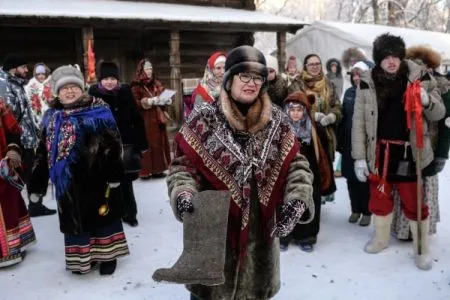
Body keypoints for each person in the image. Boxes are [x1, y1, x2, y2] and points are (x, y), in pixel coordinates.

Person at [167, 45, 314, 300]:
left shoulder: (277, 123)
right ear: (229, 79)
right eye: (244, 75)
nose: (251, 82)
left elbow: (297, 166)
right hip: (213, 237)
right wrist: (183, 194)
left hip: (259, 248)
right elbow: (183, 168)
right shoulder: (203, 119)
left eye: (258, 77)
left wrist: (298, 199)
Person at [352, 33, 445, 270]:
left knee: (414, 202)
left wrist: (427, 101)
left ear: (401, 57)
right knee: (380, 198)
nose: (391, 61)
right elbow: (359, 122)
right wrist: (359, 157)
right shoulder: (367, 81)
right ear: (379, 59)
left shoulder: (419, 77)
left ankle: (421, 249)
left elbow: (439, 113)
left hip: (409, 155)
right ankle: (381, 240)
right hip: (380, 155)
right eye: (386, 57)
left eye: (395, 56)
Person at [28, 65, 129, 275]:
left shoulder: (98, 110)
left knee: (103, 219)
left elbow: (113, 144)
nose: (69, 91)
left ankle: (108, 256)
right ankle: (84, 258)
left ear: (82, 88)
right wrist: (37, 185)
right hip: (68, 185)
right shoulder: (51, 117)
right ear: (57, 91)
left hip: (98, 180)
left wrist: (114, 173)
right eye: (64, 88)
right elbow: (42, 153)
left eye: (74, 86)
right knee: (76, 223)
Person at [391, 46, 450, 240]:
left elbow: (446, 125)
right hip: (405, 148)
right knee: (405, 190)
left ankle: (421, 232)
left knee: (424, 191)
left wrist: (442, 153)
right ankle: (403, 229)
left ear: (430, 66)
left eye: (423, 64)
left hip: (429, 148)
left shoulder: (442, 88)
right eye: (415, 63)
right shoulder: (403, 84)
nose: (419, 67)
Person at [89, 61, 147, 227]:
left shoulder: (125, 92)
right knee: (106, 181)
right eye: (106, 78)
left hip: (125, 145)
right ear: (100, 80)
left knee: (126, 182)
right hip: (103, 146)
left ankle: (130, 214)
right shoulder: (93, 96)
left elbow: (136, 118)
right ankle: (112, 212)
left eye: (113, 78)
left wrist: (141, 143)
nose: (109, 82)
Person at [1, 54, 56, 217]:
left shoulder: (16, 83)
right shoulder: (3, 85)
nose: (27, 70)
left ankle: (34, 205)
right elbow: (9, 114)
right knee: (17, 175)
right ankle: (14, 210)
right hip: (15, 140)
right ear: (13, 68)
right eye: (23, 67)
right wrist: (14, 140)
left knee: (32, 171)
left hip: (27, 137)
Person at [280, 91, 335, 252]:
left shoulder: (315, 129)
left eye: (299, 109)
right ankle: (285, 235)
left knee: (308, 203)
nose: (295, 113)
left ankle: (306, 236)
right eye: (292, 109)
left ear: (305, 111)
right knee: (286, 203)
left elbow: (324, 154)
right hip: (286, 174)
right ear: (287, 111)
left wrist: (323, 175)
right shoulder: (280, 129)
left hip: (310, 174)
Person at [289, 53, 341, 203]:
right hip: (304, 133)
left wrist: (332, 116)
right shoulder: (297, 84)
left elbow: (336, 105)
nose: (315, 67)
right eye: (311, 64)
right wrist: (312, 115)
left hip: (325, 132)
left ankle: (320, 194)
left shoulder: (328, 83)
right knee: (307, 164)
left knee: (324, 165)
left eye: (317, 63)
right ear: (305, 66)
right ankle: (306, 198)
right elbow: (291, 106)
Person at [0, 97, 36, 267]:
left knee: (9, 204)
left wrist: (13, 149)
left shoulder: (1, 104)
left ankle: (12, 249)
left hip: (2, 166)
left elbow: (13, 131)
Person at [338, 62, 371, 226]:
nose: (356, 78)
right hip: (348, 143)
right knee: (350, 179)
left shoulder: (371, 93)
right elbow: (343, 119)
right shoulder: (349, 93)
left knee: (363, 180)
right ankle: (355, 210)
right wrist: (340, 142)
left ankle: (366, 211)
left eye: (360, 74)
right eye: (354, 75)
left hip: (365, 145)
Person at [131, 59, 171, 179]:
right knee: (147, 144)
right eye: (147, 69)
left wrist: (166, 100)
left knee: (159, 144)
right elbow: (134, 103)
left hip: (157, 119)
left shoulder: (156, 83)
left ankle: (158, 170)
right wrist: (147, 101)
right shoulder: (136, 85)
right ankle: (145, 171)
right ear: (141, 70)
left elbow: (163, 93)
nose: (149, 71)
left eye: (150, 68)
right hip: (145, 120)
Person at [186, 52, 226, 118]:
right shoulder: (202, 89)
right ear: (211, 69)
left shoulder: (230, 85)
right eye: (218, 68)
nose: (222, 72)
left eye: (225, 68)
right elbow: (198, 114)